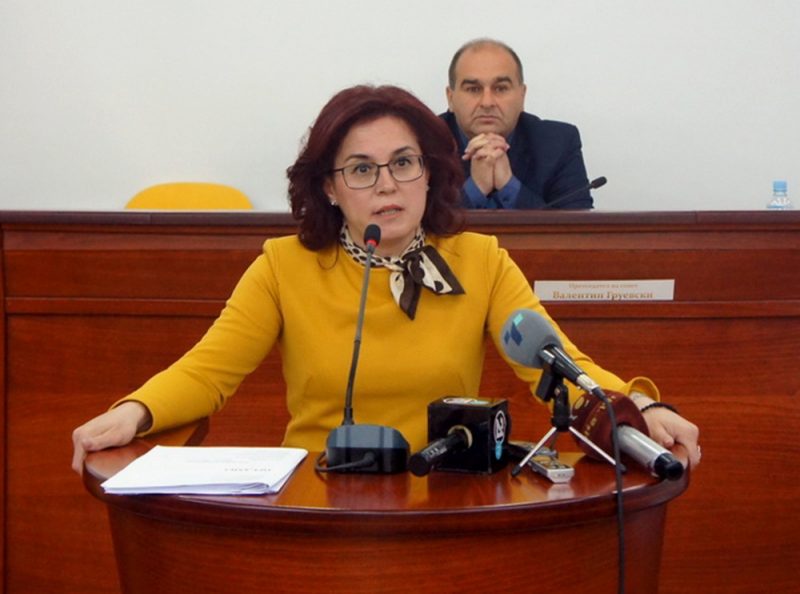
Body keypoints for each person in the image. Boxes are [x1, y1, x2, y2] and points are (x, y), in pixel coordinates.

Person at [71, 84, 699, 473]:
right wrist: (136, 410)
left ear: (431, 173)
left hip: (444, 493)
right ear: (329, 187)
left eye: (403, 163)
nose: (387, 184)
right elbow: (208, 372)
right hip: (317, 492)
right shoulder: (284, 266)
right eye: (361, 169)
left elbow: (557, 367)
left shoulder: (480, 259)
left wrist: (639, 404)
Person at [442, 38, 594, 210]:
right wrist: (475, 188)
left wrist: (508, 185)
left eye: (500, 88)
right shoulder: (424, 141)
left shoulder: (558, 143)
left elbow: (576, 223)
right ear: (450, 98)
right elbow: (421, 223)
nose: (487, 102)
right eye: (473, 89)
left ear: (522, 96)